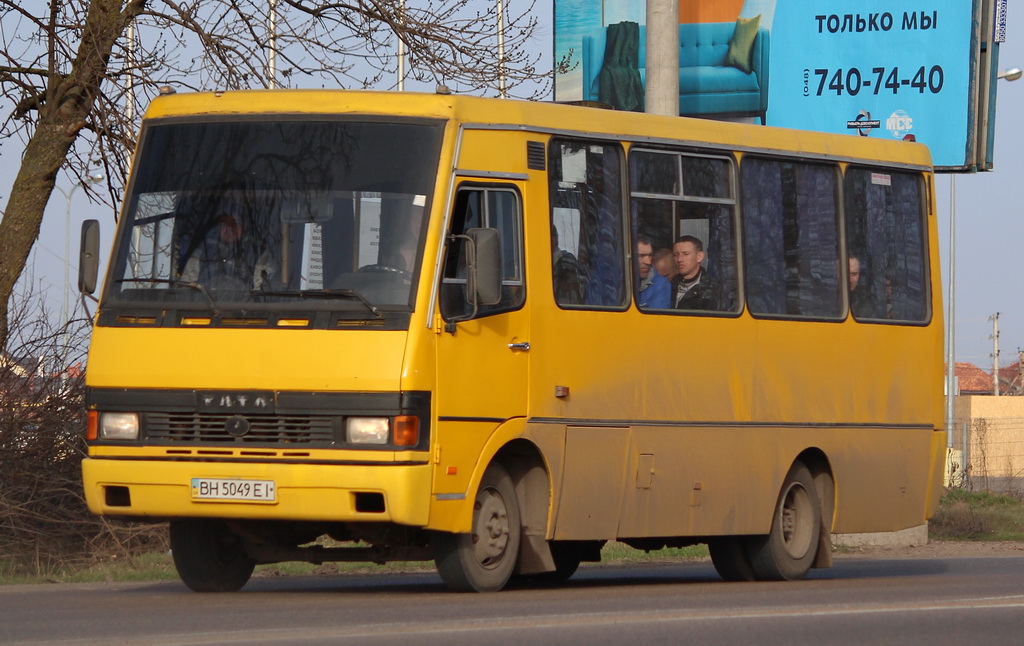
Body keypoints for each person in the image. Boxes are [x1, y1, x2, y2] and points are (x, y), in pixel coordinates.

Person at [179, 211, 275, 290]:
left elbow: (261, 293)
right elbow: (185, 289)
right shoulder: (201, 253)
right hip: (205, 310)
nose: (229, 228)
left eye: (234, 224)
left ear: (243, 227)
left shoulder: (257, 253)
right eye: (224, 224)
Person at [671, 235, 717, 310]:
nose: (679, 259)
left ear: (699, 257)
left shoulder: (713, 289)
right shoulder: (669, 285)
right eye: (676, 255)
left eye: (686, 254)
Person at [636, 236, 671, 309]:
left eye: (650, 255)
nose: (648, 262)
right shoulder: (615, 281)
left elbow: (656, 319)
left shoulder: (660, 285)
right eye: (641, 256)